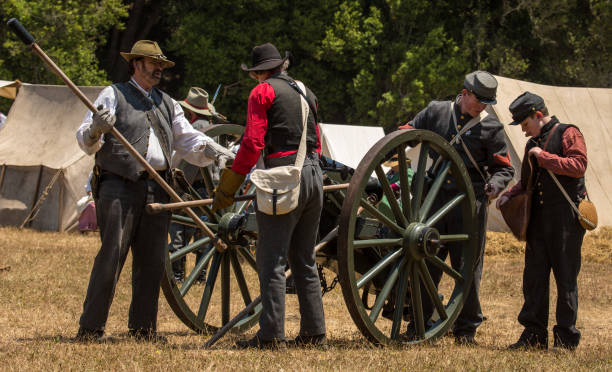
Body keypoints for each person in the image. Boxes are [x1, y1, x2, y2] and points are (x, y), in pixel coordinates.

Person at [74, 40, 232, 343]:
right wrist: (96, 128)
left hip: (158, 187)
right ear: (136, 64)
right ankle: (90, 328)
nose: (159, 69)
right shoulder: (113, 94)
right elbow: (85, 140)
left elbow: (188, 139)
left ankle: (143, 329)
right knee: (111, 255)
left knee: (153, 260)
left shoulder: (167, 102)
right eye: (153, 63)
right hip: (118, 184)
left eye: (162, 65)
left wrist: (215, 151)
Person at [212, 42, 326, 349]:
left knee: (272, 260)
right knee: (304, 259)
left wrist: (229, 185)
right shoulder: (306, 92)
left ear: (257, 73)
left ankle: (271, 336)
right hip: (314, 175)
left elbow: (252, 143)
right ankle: (314, 332)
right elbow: (315, 141)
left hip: (283, 178)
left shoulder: (262, 92)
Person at [399, 71, 515, 345]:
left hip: (468, 205)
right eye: (479, 100)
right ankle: (420, 323)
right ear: (465, 93)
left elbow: (503, 168)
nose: (482, 106)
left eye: (487, 102)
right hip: (432, 201)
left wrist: (495, 186)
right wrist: (397, 141)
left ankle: (466, 330)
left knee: (467, 268)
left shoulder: (491, 129)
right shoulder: (436, 112)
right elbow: (409, 132)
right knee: (425, 262)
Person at [497, 92, 587, 350]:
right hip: (538, 222)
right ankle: (534, 336)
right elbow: (526, 183)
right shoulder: (531, 144)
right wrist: (508, 196)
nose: (524, 132)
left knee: (565, 279)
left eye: (525, 124)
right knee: (534, 279)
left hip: (566, 223)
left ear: (538, 115)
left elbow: (578, 165)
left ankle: (565, 339)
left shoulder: (569, 132)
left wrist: (544, 156)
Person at [168, 87, 220, 283]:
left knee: (179, 230)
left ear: (190, 112)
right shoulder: (213, 129)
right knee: (203, 233)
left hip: (188, 186)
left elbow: (176, 160)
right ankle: (200, 275)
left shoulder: (190, 130)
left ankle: (178, 274)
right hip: (209, 189)